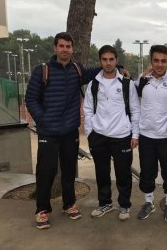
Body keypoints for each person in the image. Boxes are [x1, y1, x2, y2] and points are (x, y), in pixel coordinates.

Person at [25, 32, 102, 229]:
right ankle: (42, 210)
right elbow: (31, 99)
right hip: (48, 132)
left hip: (69, 131)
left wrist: (118, 67)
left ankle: (69, 204)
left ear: (72, 49)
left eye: (68, 46)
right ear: (55, 48)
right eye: (61, 46)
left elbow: (96, 71)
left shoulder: (77, 70)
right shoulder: (42, 71)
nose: (65, 50)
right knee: (46, 171)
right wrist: (43, 120)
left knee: (69, 171)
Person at [83, 45, 140, 221]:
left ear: (116, 60)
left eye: (111, 59)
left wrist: (135, 134)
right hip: (98, 136)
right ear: (100, 61)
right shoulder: (93, 84)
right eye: (104, 59)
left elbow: (135, 110)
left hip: (122, 136)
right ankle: (105, 204)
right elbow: (87, 109)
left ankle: (124, 206)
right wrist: (90, 132)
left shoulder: (127, 84)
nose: (108, 63)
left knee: (123, 174)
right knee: (102, 173)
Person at [135, 45, 167, 223]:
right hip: (146, 137)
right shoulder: (142, 80)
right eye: (156, 60)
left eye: (163, 61)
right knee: (147, 173)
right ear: (151, 61)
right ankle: (148, 203)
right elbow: (132, 99)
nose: (160, 64)